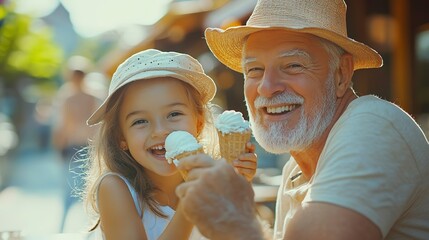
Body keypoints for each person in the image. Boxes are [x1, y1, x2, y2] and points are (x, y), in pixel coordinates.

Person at [175, 0, 429, 239]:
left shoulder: (375, 127)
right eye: (254, 70)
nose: (267, 87)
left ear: (341, 74)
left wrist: (233, 220)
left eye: (293, 65)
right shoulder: (294, 170)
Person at [82, 49, 257, 239]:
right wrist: (192, 202)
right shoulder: (115, 187)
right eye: (140, 121)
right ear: (120, 137)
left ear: (198, 123)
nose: (159, 131)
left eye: (174, 114)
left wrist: (237, 188)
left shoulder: (213, 177)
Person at [51, 55, 102, 232]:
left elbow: (63, 126)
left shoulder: (75, 97)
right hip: (79, 147)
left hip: (85, 147)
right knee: (78, 190)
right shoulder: (81, 97)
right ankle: (67, 230)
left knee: (83, 191)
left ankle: (73, 230)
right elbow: (63, 127)